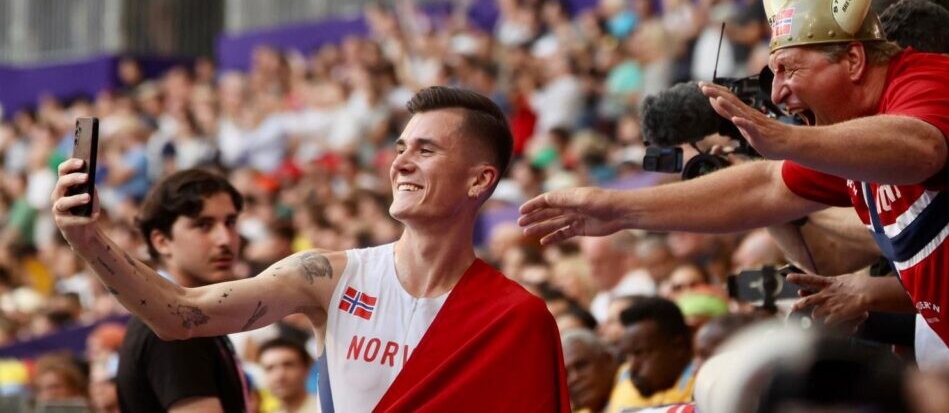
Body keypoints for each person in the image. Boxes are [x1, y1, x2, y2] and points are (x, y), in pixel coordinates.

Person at [520, 0, 949, 378]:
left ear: (853, 60)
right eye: (774, 73)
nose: (778, 92)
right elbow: (764, 188)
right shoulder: (850, 133)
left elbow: (924, 148)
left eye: (789, 70)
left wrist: (788, 139)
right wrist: (619, 208)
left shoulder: (927, 79)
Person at [53, 86, 569, 412]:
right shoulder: (327, 276)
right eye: (400, 149)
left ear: (480, 180)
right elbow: (179, 315)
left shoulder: (517, 317)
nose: (401, 163)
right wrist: (88, 240)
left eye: (426, 149)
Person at [115, 169, 250, 412]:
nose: (225, 239)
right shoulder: (173, 326)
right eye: (204, 225)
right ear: (161, 242)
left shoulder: (187, 316)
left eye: (230, 222)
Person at [607, 297, 695, 411]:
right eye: (628, 356)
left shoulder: (705, 391)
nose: (632, 368)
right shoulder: (662, 392)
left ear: (678, 346)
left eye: (641, 353)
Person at [561, 329, 617, 413]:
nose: (575, 378)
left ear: (607, 360)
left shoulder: (632, 390)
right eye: (565, 375)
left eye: (581, 366)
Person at [258, 338, 316, 413]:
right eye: (270, 368)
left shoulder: (325, 407)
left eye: (288, 365)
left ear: (306, 368)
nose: (279, 376)